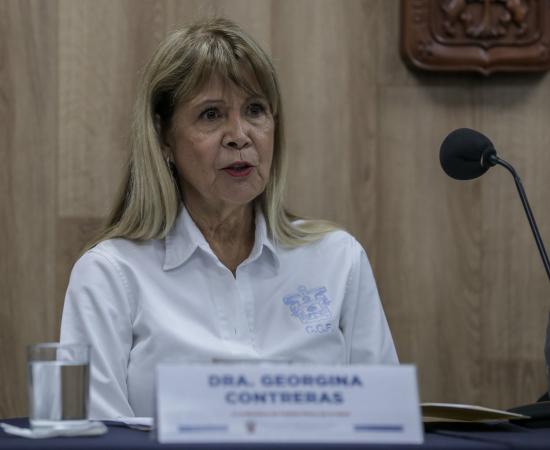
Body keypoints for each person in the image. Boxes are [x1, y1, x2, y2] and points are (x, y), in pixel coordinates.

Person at [60, 17, 398, 420]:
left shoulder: (337, 259)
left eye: (255, 110)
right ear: (163, 136)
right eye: (211, 115)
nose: (239, 135)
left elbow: (385, 418)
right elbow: (92, 437)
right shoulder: (110, 275)